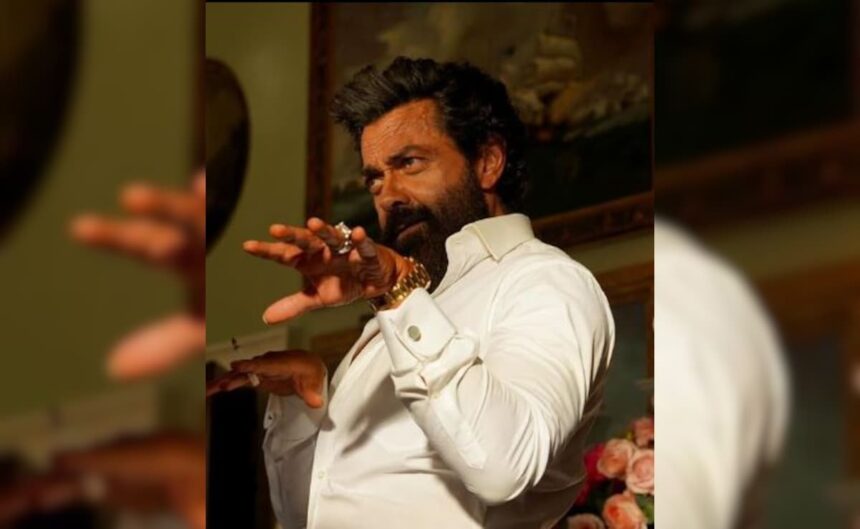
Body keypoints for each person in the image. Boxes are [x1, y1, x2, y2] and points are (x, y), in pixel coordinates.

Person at [208, 57, 615, 529]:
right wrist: (305, 402)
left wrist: (398, 293)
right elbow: (307, 518)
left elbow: (505, 467)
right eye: (374, 178)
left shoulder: (545, 281)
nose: (388, 194)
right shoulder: (400, 315)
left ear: (487, 162)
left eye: (409, 163)